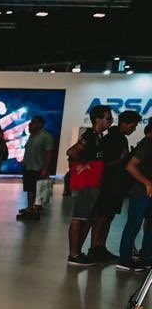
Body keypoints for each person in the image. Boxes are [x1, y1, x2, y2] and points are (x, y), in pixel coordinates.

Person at [89, 110, 141, 261]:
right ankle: (94, 248)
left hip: (116, 185)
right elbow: (103, 163)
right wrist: (123, 159)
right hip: (108, 184)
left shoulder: (120, 138)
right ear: (124, 123)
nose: (133, 129)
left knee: (108, 217)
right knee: (102, 217)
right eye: (132, 126)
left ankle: (100, 247)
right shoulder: (111, 139)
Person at [65, 105, 113, 267]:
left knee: (85, 218)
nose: (110, 121)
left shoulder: (98, 137)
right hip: (85, 184)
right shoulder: (90, 135)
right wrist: (84, 163)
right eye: (108, 118)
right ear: (98, 119)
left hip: (92, 184)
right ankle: (74, 255)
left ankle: (77, 252)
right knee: (78, 218)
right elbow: (71, 152)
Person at [117, 122, 152, 272]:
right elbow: (130, 166)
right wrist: (147, 183)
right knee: (134, 224)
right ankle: (124, 260)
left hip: (147, 192)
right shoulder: (147, 144)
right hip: (141, 191)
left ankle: (146, 258)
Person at [17, 117, 55, 220]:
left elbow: (48, 153)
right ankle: (30, 208)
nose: (30, 124)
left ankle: (35, 209)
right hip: (29, 166)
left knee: (38, 189)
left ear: (40, 124)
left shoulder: (46, 136)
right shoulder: (32, 135)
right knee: (29, 189)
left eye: (33, 122)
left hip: (38, 167)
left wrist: (45, 169)